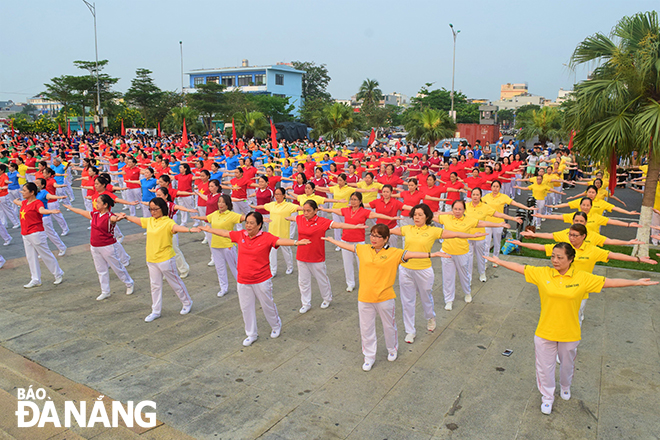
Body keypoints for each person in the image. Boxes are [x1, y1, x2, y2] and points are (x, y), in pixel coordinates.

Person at [484, 244, 657, 415]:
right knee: (544, 367)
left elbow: (609, 282)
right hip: (545, 331)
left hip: (570, 332)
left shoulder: (582, 278)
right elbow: (521, 268)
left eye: (560, 257)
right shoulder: (543, 273)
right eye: (553, 256)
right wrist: (500, 261)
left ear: (570, 259)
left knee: (567, 365)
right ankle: (547, 397)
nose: (555, 260)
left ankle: (565, 387)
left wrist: (636, 282)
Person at [322, 224, 450, 371]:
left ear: (386, 238)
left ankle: (392, 348)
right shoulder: (363, 249)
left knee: (389, 326)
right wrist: (332, 240)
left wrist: (432, 255)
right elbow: (347, 246)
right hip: (365, 297)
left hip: (385, 297)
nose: (373, 239)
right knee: (366, 328)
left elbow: (411, 254)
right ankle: (369, 357)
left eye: (378, 236)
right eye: (372, 235)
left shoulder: (394, 253)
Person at [201, 211, 310, 347]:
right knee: (246, 308)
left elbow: (280, 241)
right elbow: (224, 233)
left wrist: (296, 242)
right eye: (247, 222)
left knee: (267, 305)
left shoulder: (266, 237)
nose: (248, 225)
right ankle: (251, 334)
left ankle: (276, 326)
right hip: (243, 280)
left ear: (259, 225)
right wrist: (209, 229)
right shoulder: (240, 235)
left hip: (261, 279)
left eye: (252, 223)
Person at [509, 223, 656, 324]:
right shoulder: (564, 248)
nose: (572, 238)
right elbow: (542, 247)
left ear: (584, 236)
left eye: (575, 235)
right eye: (570, 235)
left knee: (575, 319)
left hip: (581, 288)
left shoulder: (592, 250)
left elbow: (614, 255)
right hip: (559, 286)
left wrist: (638, 259)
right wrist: (521, 243)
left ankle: (570, 345)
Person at [390, 204, 481, 343]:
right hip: (406, 269)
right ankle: (410, 331)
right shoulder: (406, 229)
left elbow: (455, 234)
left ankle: (430, 317)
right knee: (407, 301)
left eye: (420, 215)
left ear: (427, 216)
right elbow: (387, 231)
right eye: (415, 214)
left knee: (426, 297)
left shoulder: (433, 231)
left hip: (424, 270)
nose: (417, 217)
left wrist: (472, 235)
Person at [116, 198, 200, 322]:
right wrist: (126, 217)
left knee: (175, 283)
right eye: (151, 209)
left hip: (166, 259)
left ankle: (187, 302)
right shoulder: (150, 221)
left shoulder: (168, 222)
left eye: (156, 209)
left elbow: (176, 228)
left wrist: (189, 229)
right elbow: (138, 220)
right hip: (151, 258)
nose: (153, 211)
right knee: (155, 286)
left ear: (162, 209)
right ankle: (156, 311)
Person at [286, 199, 368, 313]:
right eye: (304, 210)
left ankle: (327, 298)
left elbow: (339, 224)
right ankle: (305, 303)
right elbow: (291, 218)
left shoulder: (322, 221)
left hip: (316, 257)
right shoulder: (300, 219)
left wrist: (355, 227)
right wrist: (283, 217)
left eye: (308, 211)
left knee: (322, 279)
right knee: (303, 281)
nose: (305, 213)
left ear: (316, 210)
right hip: (301, 256)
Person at [321, 192, 399, 291]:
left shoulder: (364, 212)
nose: (353, 202)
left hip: (359, 242)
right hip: (346, 240)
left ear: (360, 201)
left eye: (355, 200)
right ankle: (350, 283)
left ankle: (364, 282)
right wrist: (324, 209)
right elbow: (335, 210)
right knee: (347, 263)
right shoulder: (346, 210)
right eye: (351, 199)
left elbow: (377, 214)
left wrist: (391, 218)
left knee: (362, 264)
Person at [434, 200, 503, 310]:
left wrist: (499, 224)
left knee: (464, 276)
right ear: (452, 210)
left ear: (464, 210)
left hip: (462, 252)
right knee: (448, 278)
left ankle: (467, 292)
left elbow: (483, 223)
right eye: (455, 209)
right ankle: (448, 300)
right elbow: (430, 216)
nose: (457, 211)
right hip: (447, 252)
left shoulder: (469, 220)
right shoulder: (445, 218)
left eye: (460, 209)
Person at [63, 196, 134, 300]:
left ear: (105, 205)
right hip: (95, 246)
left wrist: (120, 217)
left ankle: (129, 283)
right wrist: (70, 207)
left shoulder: (110, 216)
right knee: (101, 269)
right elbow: (81, 212)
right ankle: (105, 291)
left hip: (108, 246)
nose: (96, 204)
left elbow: (115, 219)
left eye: (99, 203)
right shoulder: (95, 214)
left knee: (117, 267)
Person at [463, 187, 521, 282]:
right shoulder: (466, 206)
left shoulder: (485, 207)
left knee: (480, 256)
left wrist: (512, 218)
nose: (475, 197)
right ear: (471, 195)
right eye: (473, 194)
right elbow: (454, 212)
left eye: (477, 195)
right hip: (468, 236)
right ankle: (468, 277)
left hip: (480, 237)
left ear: (481, 196)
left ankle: (482, 273)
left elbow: (498, 214)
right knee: (468, 257)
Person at [12, 183, 65, 288]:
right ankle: (35, 279)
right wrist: (14, 201)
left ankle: (58, 273)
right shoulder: (25, 203)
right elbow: (18, 203)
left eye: (24, 190)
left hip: (36, 233)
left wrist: (51, 211)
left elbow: (42, 210)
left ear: (32, 192)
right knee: (31, 257)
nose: (22, 192)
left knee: (45, 254)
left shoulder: (37, 202)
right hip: (25, 234)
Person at [193, 194, 245, 297]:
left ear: (227, 204)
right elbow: (207, 218)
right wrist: (197, 217)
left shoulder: (232, 215)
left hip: (228, 245)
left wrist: (258, 218)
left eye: (223, 202)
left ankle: (243, 287)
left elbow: (244, 218)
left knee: (235, 268)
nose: (220, 204)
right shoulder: (215, 214)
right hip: (216, 245)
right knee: (220, 268)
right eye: (219, 202)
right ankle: (223, 288)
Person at [482, 180, 535, 266]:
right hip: (488, 223)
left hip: (499, 223)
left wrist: (527, 208)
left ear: (500, 188)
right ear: (491, 187)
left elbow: (515, 203)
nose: (495, 188)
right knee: (487, 243)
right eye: (493, 186)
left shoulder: (503, 197)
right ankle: (485, 261)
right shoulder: (486, 197)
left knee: (497, 242)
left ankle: (496, 259)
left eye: (497, 187)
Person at [252, 187, 302, 276]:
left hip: (283, 234)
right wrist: (253, 207)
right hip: (272, 234)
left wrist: (310, 208)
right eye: (276, 194)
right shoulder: (272, 204)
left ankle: (290, 267)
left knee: (286, 251)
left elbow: (300, 208)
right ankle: (273, 271)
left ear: (284, 195)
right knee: (272, 253)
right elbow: (263, 206)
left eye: (279, 194)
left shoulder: (289, 205)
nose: (277, 196)